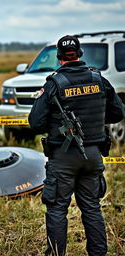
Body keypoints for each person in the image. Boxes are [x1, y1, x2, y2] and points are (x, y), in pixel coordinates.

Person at [29, 35, 124, 256]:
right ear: (80, 54)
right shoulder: (99, 79)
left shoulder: (54, 84)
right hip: (93, 155)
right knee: (91, 208)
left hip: (62, 158)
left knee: (57, 210)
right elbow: (118, 113)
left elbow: (35, 122)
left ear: (59, 58)